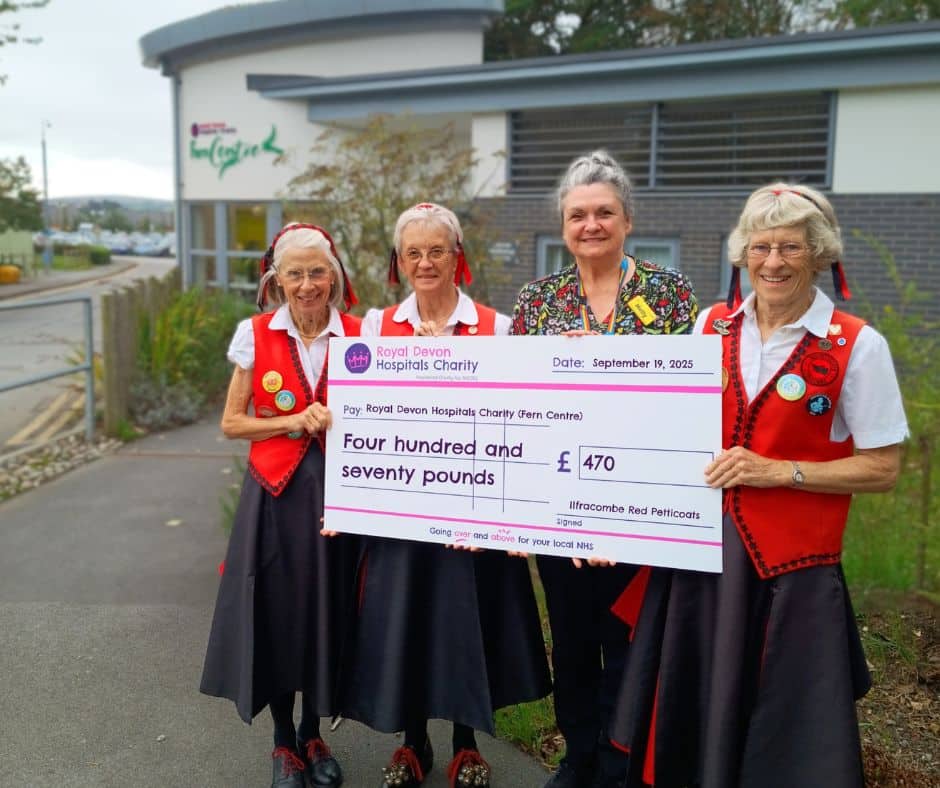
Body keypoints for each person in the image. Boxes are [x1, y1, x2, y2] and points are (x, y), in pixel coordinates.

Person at [608, 183, 910, 788]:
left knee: (782, 731)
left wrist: (782, 471)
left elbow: (883, 467)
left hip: (792, 572)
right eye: (760, 246)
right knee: (693, 714)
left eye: (790, 248)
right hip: (702, 558)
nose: (772, 262)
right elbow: (663, 420)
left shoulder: (857, 344)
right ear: (742, 253)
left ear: (818, 254)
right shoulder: (709, 326)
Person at [337, 202, 551, 788]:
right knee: (405, 622)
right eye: (414, 253)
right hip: (405, 510)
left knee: (466, 624)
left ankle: (465, 743)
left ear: (459, 257)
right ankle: (412, 743)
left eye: (438, 251)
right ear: (399, 263)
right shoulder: (378, 328)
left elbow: (519, 418)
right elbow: (364, 421)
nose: (426, 262)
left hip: (473, 513)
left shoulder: (498, 327)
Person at [511, 151, 698, 788]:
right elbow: (518, 400)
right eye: (577, 214)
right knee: (571, 640)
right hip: (560, 502)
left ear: (627, 219)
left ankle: (622, 758)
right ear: (563, 224)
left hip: (640, 503)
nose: (590, 224)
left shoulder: (669, 294)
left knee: (629, 640)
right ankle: (578, 756)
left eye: (604, 213)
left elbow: (687, 403)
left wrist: (612, 360)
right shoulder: (538, 302)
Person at [200, 223, 362, 788]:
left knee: (324, 610)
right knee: (275, 613)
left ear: (334, 277)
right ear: (278, 279)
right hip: (274, 494)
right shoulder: (256, 333)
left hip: (339, 499)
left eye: (318, 271)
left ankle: (315, 734)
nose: (308, 284)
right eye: (295, 273)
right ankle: (282, 742)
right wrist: (295, 420)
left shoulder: (363, 336)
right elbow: (231, 422)